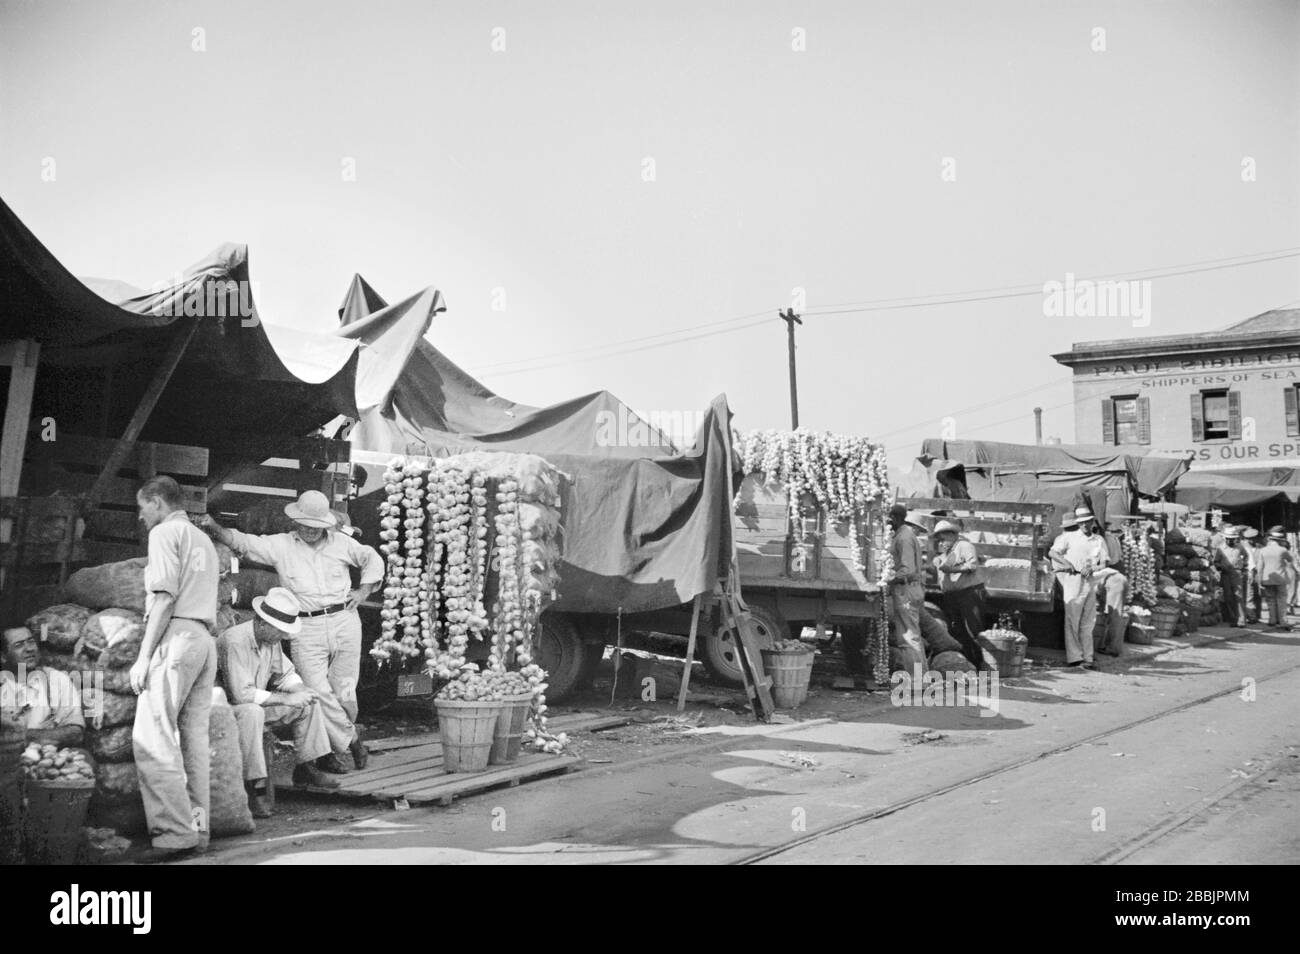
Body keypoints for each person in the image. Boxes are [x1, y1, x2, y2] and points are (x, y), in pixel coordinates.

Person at [200, 490, 381, 772]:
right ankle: (352, 741)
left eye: (315, 526)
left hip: (344, 619)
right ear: (295, 521)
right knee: (317, 691)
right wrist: (214, 528)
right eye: (304, 524)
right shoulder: (281, 545)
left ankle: (333, 748)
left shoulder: (343, 543)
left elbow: (373, 559)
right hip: (305, 626)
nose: (309, 530)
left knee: (345, 691)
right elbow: (244, 542)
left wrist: (363, 590)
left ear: (325, 524)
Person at [130, 476, 219, 858]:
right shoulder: (204, 540)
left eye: (142, 507)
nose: (139, 515)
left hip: (177, 637)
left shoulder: (166, 534)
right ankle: (198, 829)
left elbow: (164, 598)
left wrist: (143, 656)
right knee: (194, 741)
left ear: (157, 502)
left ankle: (173, 833)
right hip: (204, 639)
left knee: (153, 736)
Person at [216, 587, 339, 817]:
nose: (284, 636)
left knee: (308, 702)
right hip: (230, 709)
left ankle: (306, 766)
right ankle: (254, 786)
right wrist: (288, 698)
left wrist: (301, 691)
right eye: (280, 631)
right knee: (252, 713)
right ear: (261, 622)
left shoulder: (270, 640)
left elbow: (285, 674)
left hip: (257, 704)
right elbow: (241, 695)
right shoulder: (235, 641)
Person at [0, 625, 85, 746]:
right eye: (19, 645)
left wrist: (21, 736)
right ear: (3, 657)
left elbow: (76, 733)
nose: (29, 648)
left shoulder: (57, 680)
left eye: (31, 641)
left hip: (49, 757)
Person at [1051, 507, 1107, 669]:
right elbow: (1053, 553)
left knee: (1088, 621)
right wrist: (1067, 563)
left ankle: (1088, 657)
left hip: (1090, 581)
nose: (1083, 525)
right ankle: (1075, 657)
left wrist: (1093, 569)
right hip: (1073, 580)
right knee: (1072, 619)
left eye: (1086, 522)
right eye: (1081, 523)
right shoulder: (1069, 537)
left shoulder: (1099, 540)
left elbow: (1104, 562)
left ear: (1091, 522)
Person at [930, 520, 988, 669]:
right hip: (953, 595)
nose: (942, 541)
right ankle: (969, 663)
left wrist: (952, 570)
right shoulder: (945, 553)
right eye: (940, 539)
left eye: (944, 537)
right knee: (959, 630)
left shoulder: (965, 546)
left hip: (969, 593)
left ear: (953, 534)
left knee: (974, 629)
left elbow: (972, 565)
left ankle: (984, 664)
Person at [887, 504, 927, 676]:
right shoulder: (906, 535)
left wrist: (888, 579)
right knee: (912, 635)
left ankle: (917, 680)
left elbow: (907, 570)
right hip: (911, 589)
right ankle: (921, 678)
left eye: (890, 519)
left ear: (896, 518)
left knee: (908, 638)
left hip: (906, 590)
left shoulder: (903, 537)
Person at [1093, 521, 1128, 658]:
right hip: (1114, 578)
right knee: (1109, 614)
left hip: (1113, 580)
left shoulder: (1102, 540)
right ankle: (1104, 644)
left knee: (1115, 614)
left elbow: (1108, 563)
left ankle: (1113, 648)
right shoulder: (1110, 538)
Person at [1257, 529, 1295, 631]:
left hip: (1267, 578)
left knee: (1270, 600)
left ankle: (1272, 620)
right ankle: (1283, 621)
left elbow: (1259, 567)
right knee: (1282, 600)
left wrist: (1259, 580)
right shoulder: (1282, 550)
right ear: (1279, 540)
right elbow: (1290, 560)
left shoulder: (1263, 550)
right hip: (1280, 578)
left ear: (1270, 539)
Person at [1214, 526, 1248, 627]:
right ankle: (1233, 619)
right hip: (1225, 574)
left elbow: (1246, 557)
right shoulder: (1220, 549)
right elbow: (1216, 562)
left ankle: (1241, 620)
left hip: (1237, 574)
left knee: (1239, 597)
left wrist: (1243, 565)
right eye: (1229, 539)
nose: (1230, 541)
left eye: (1232, 539)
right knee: (1228, 597)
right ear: (1225, 538)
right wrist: (1220, 567)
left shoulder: (1240, 547)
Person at [1242, 528, 1263, 624]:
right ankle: (1251, 616)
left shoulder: (1260, 548)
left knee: (1258, 595)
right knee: (1249, 595)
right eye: (1251, 539)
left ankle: (1257, 614)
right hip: (1249, 574)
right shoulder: (1244, 547)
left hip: (1258, 574)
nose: (1254, 540)